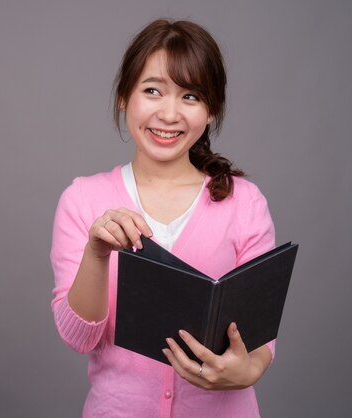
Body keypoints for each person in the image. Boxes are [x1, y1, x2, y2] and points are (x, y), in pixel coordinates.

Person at [50, 19, 276, 417]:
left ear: (211, 111)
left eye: (190, 96)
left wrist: (244, 371)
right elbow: (79, 337)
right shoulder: (83, 200)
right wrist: (97, 253)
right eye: (152, 90)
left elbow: (259, 343)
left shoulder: (245, 203)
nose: (169, 113)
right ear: (124, 97)